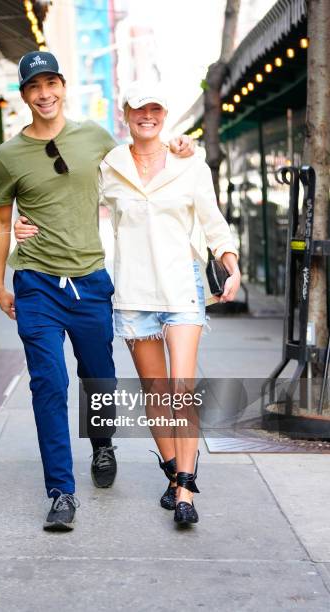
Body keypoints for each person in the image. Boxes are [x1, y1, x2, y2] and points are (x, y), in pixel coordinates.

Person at [15, 81, 241, 527]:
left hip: (181, 287)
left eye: (156, 108)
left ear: (164, 112)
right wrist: (25, 223)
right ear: (126, 113)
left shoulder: (189, 163)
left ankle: (186, 490)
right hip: (134, 294)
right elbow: (68, 198)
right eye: (139, 109)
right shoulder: (110, 163)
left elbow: (214, 224)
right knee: (157, 394)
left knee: (180, 389)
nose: (148, 116)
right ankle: (171, 471)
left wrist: (230, 264)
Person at [0, 52, 195, 532]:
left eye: (51, 83)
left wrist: (181, 148)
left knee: (98, 377)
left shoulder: (97, 139)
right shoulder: (7, 155)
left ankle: (102, 443)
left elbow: (143, 161)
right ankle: (61, 491)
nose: (44, 94)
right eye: (34, 86)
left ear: (63, 86)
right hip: (36, 283)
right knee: (49, 384)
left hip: (90, 281)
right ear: (24, 94)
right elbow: (0, 218)